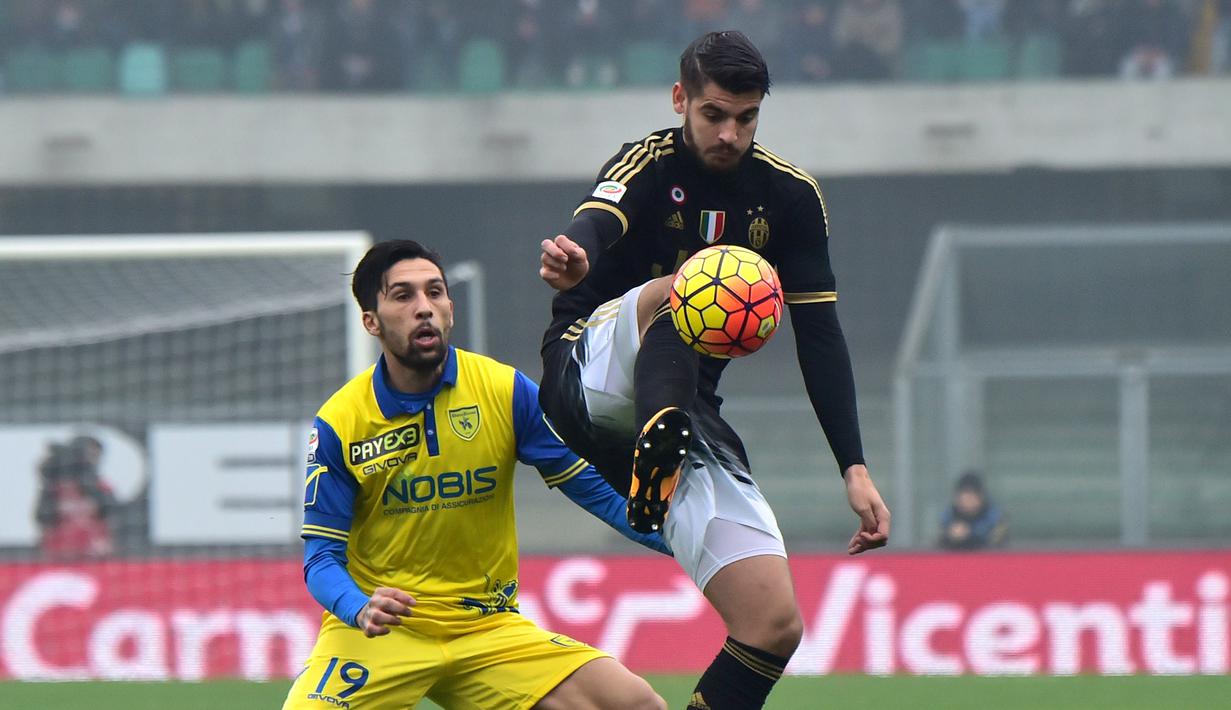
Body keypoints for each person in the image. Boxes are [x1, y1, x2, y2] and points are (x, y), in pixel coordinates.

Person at [537, 31, 891, 710]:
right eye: (714, 115)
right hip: (585, 372)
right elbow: (596, 221)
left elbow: (818, 333)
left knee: (772, 625)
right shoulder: (646, 161)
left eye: (746, 117)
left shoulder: (789, 197)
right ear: (680, 100)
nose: (730, 133)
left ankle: (661, 447)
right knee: (693, 285)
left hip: (680, 415)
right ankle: (658, 436)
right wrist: (574, 257)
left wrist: (853, 465)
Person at [283, 240, 667, 710]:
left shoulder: (504, 391)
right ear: (371, 321)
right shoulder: (341, 422)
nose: (424, 308)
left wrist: (688, 544)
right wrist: (358, 606)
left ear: (450, 309)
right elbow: (321, 559)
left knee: (634, 705)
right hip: (380, 632)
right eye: (403, 296)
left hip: (485, 628)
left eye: (435, 293)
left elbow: (599, 494)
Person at [35, 435, 116, 560]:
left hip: (94, 556)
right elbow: (43, 518)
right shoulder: (54, 489)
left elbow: (109, 513)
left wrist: (90, 487)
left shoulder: (101, 488)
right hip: (59, 556)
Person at [939, 470, 1007, 551]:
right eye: (964, 497)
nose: (968, 501)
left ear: (981, 497)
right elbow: (938, 545)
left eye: (972, 496)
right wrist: (950, 537)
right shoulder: (949, 517)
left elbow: (997, 544)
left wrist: (970, 535)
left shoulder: (995, 518)